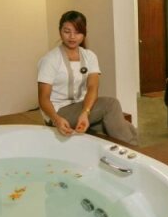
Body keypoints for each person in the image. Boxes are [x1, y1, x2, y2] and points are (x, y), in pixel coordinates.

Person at [37, 11, 139, 145]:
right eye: (67, 31)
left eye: (77, 32)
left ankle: (130, 152)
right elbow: (43, 99)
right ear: (60, 31)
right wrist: (56, 119)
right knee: (111, 104)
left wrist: (85, 113)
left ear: (84, 33)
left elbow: (92, 87)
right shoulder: (50, 59)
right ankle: (132, 153)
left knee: (129, 128)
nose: (72, 37)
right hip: (58, 112)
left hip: (82, 107)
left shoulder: (89, 56)